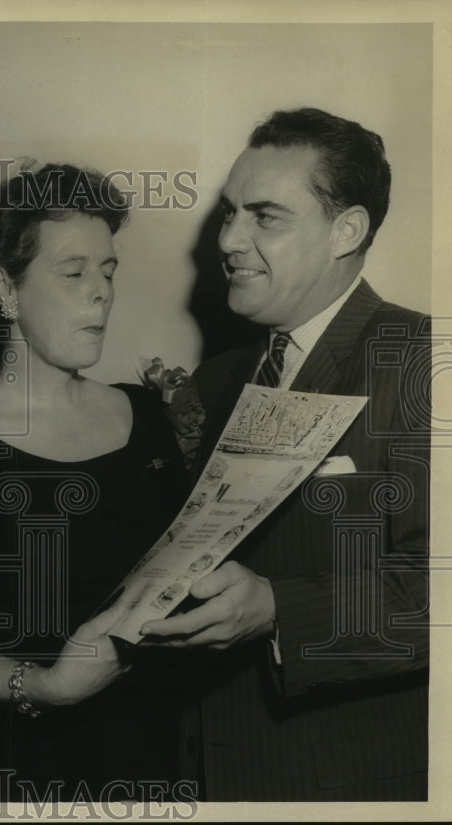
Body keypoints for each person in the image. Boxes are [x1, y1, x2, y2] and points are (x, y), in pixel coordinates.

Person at [141, 108, 429, 800]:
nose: (230, 239)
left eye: (265, 216)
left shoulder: (423, 362)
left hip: (344, 788)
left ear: (347, 231)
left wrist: (276, 607)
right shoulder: (216, 381)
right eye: (230, 212)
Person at [0, 164, 191, 800]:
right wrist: (48, 687)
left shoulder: (146, 415)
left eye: (108, 271)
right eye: (74, 271)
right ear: (6, 285)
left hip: (154, 755)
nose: (102, 293)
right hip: (15, 773)